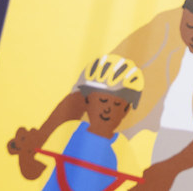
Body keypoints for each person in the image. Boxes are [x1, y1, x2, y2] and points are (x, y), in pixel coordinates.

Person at [9, 0, 193, 191]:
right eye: (189, 26)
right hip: (170, 137)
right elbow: (99, 82)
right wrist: (40, 136)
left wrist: (170, 169)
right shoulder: (163, 25)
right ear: (182, 13)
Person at [9, 54, 145, 191]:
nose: (108, 109)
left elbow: (135, 185)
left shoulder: (121, 147)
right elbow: (34, 171)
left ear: (126, 109)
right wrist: (25, 155)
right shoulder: (68, 131)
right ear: (87, 100)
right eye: (102, 101)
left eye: (117, 104)